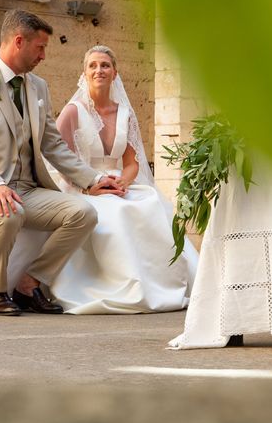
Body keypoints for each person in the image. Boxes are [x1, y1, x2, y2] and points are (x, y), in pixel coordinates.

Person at [0, 10, 123, 316]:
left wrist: (92, 180)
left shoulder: (39, 87)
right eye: (40, 47)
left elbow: (53, 144)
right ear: (18, 41)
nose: (44, 55)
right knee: (7, 214)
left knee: (83, 213)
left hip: (28, 187)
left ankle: (30, 282)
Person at [47, 45, 198, 313]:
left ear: (115, 72)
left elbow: (131, 163)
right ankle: (123, 285)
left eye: (105, 65)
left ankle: (164, 282)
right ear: (84, 73)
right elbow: (58, 161)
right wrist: (90, 187)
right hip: (82, 186)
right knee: (117, 213)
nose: (99, 70)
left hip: (118, 183)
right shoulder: (73, 112)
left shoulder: (125, 113)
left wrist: (124, 183)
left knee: (150, 202)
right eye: (92, 65)